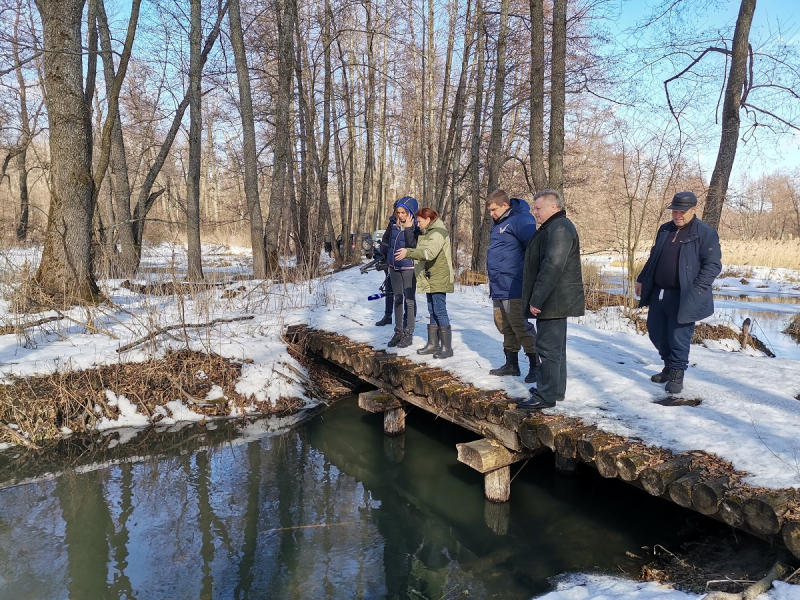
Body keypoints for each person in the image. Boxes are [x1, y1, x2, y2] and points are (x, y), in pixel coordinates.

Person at [634, 191, 722, 394]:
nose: (677, 215)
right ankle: (668, 365)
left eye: (682, 212)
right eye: (674, 211)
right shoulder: (665, 229)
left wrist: (698, 289)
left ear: (693, 210)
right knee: (655, 331)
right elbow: (654, 257)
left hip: (685, 294)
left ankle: (677, 374)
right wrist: (642, 278)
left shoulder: (704, 232)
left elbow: (713, 265)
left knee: (678, 336)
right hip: (659, 292)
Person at [519, 189, 585, 409]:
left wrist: (536, 299)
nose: (534, 212)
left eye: (538, 208)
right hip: (555, 298)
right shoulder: (554, 227)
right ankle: (554, 390)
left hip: (553, 299)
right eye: (534, 208)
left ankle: (545, 396)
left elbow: (552, 267)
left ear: (553, 208)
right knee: (555, 348)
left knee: (547, 348)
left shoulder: (560, 229)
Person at [485, 189, 539, 382]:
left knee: (519, 324)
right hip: (498, 285)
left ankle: (535, 365)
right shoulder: (499, 223)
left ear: (505, 205)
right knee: (504, 325)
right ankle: (511, 364)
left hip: (514, 285)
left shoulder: (521, 220)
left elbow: (533, 249)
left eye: (493, 210)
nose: (491, 214)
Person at [395, 207, 455, 359]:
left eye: (420, 222)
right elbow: (417, 246)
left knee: (440, 310)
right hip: (430, 276)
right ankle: (433, 344)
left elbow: (429, 253)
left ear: (428, 220)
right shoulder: (427, 233)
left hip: (439, 277)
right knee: (432, 309)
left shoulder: (438, 233)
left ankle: (447, 348)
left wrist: (408, 253)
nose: (418, 224)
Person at [385, 196, 419, 348]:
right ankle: (398, 330)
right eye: (398, 212)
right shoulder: (393, 224)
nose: (400, 215)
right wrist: (388, 263)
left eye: (403, 212)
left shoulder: (416, 226)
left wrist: (410, 228)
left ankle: (408, 333)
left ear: (410, 212)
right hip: (394, 267)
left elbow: (413, 245)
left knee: (409, 301)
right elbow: (389, 245)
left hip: (409, 268)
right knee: (397, 298)